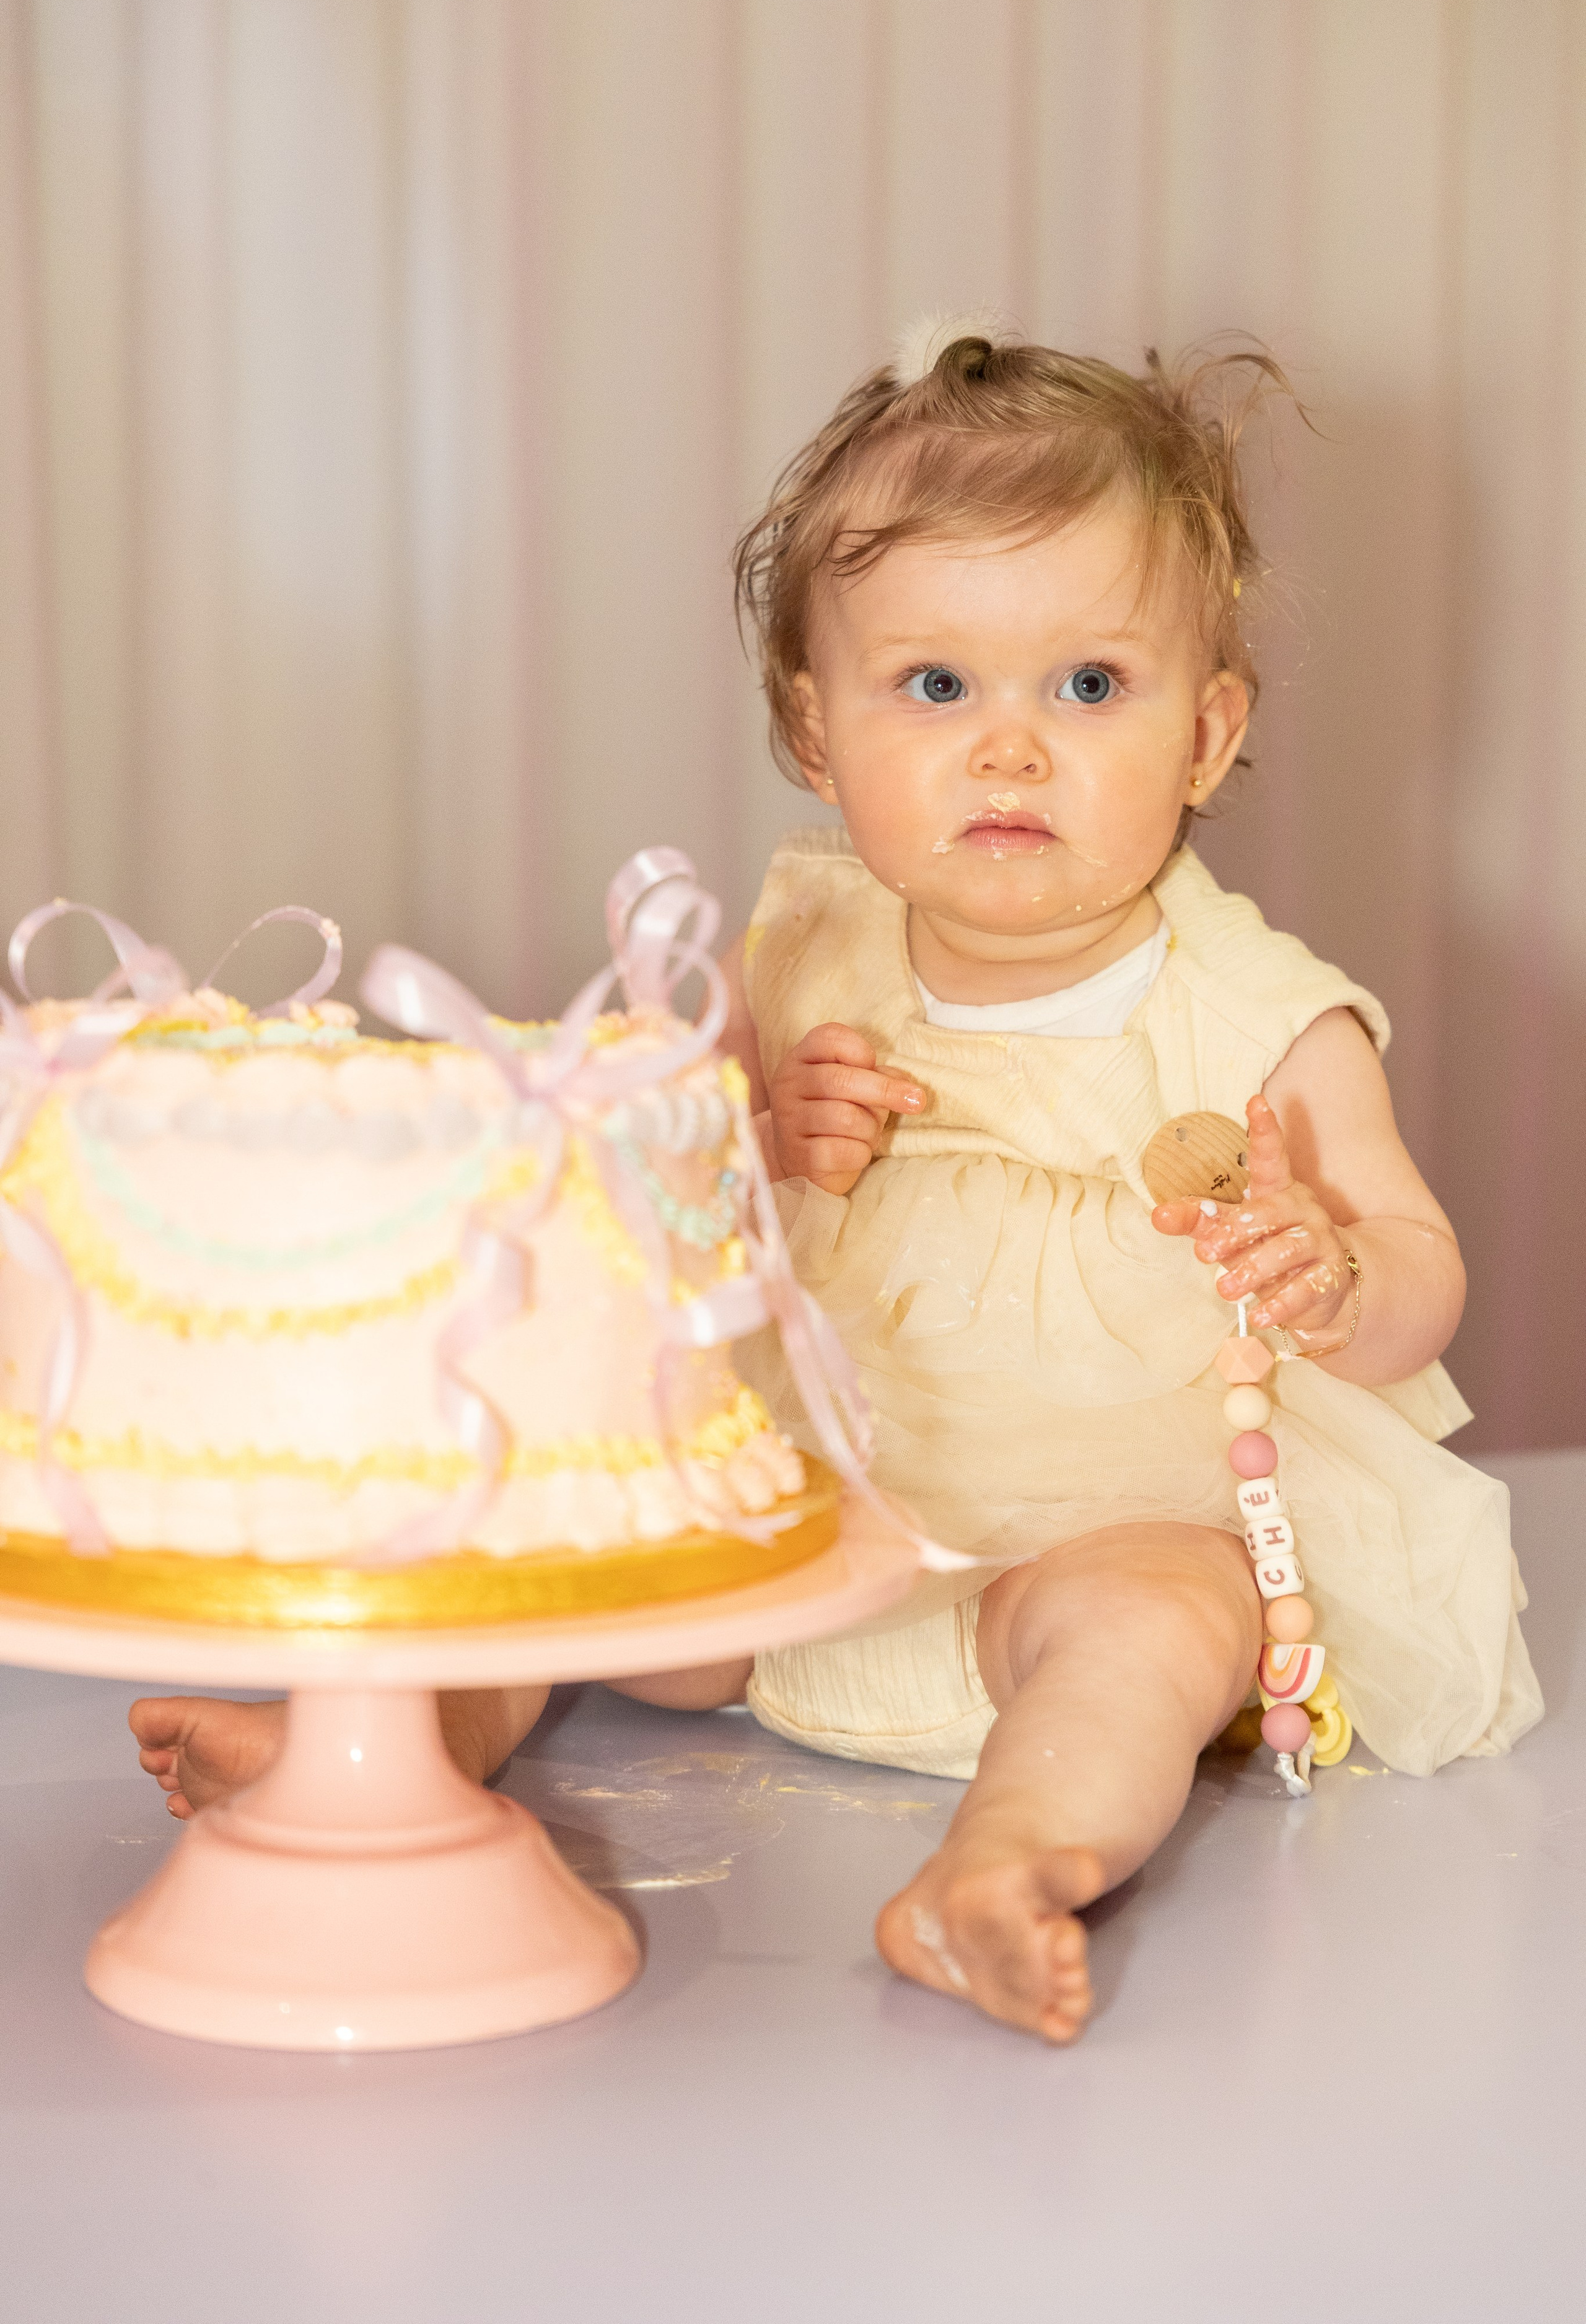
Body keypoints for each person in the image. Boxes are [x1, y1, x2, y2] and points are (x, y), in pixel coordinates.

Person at [133, 323, 1540, 2043]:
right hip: (806, 1530)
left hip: (1100, 1529)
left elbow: (1422, 1279)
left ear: (1206, 727)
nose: (1010, 750)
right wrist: (756, 1133)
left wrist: (1334, 1268)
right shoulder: (802, 954)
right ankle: (388, 1751)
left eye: (1088, 686)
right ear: (815, 725)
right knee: (586, 1519)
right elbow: (651, 1210)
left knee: (1160, 1630)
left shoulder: (1258, 1020)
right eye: (936, 687)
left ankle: (1009, 1861)